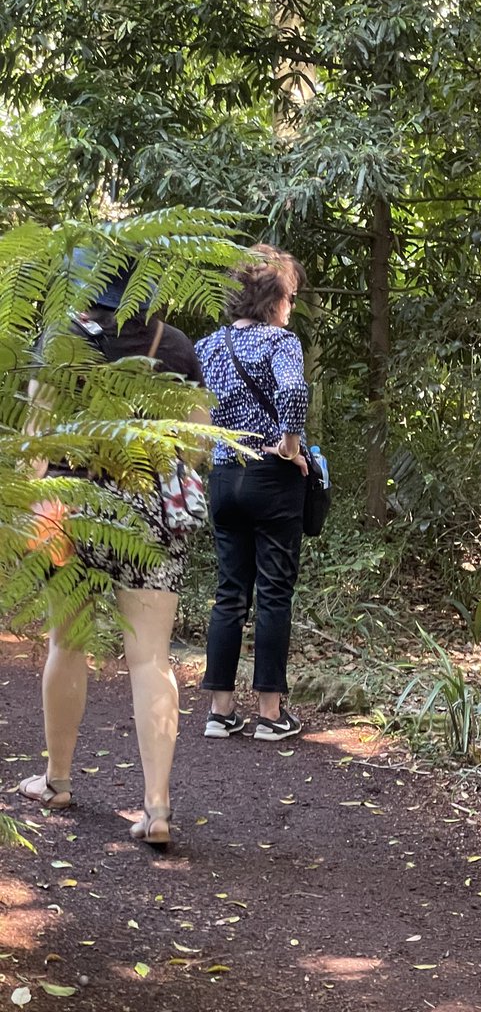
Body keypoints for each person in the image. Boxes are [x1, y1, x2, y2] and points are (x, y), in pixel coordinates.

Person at [19, 252, 208, 849]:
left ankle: (58, 780)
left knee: (66, 641)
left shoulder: (60, 343)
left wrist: (30, 508)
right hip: (148, 508)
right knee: (150, 657)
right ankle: (156, 809)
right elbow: (199, 443)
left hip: (71, 509)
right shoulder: (173, 345)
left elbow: (35, 441)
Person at [196, 244, 310, 743]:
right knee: (274, 593)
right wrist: (289, 446)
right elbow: (292, 391)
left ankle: (220, 712)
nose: (291, 306)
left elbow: (195, 410)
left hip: (224, 476)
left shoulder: (209, 346)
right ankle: (269, 713)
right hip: (270, 476)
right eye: (290, 296)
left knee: (229, 593)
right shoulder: (281, 343)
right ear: (275, 297)